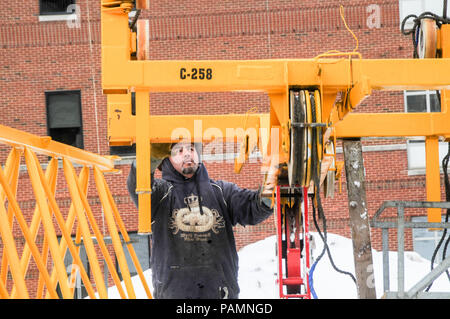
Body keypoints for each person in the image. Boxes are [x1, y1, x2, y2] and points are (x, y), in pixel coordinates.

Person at [127, 142, 274, 299]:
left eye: (191, 149)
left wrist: (270, 188)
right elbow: (137, 185)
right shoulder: (160, 195)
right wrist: (149, 158)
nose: (188, 154)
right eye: (179, 150)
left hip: (221, 295)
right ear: (166, 160)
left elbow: (253, 207)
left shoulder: (222, 192)